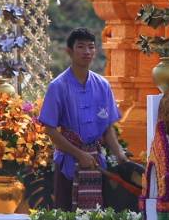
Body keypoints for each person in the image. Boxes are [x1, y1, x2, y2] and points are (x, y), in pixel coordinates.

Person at [38, 27, 129, 210]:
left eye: (91, 47)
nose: (87, 52)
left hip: (97, 164)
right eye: (81, 47)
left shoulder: (103, 85)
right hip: (68, 165)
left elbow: (107, 129)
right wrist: (79, 154)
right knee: (66, 219)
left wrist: (120, 154)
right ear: (69, 51)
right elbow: (50, 130)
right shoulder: (58, 86)